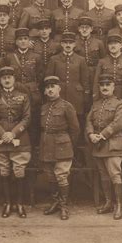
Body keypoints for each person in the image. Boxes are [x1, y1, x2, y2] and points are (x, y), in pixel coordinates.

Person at [0, 66, 31, 218]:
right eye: (4, 78)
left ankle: (19, 203)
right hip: (0, 139)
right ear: (0, 81)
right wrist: (2, 133)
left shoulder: (23, 96)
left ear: (14, 79)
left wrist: (13, 133)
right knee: (4, 170)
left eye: (10, 77)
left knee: (19, 170)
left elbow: (27, 118)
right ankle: (7, 203)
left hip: (19, 137)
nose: (7, 80)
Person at [85, 73, 122, 220]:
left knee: (115, 174)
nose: (104, 87)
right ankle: (109, 203)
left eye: (107, 85)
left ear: (113, 86)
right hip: (98, 145)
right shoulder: (95, 104)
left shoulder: (119, 103)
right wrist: (91, 134)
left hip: (113, 144)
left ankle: (119, 206)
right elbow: (89, 120)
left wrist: (101, 135)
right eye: (102, 85)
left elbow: (118, 123)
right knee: (104, 175)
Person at [40, 76, 80, 220]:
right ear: (45, 91)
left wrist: (69, 145)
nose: (50, 90)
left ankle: (64, 206)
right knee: (50, 176)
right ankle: (55, 202)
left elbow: (75, 129)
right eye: (48, 88)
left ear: (59, 89)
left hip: (63, 144)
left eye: (53, 87)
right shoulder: (44, 107)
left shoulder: (67, 106)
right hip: (47, 144)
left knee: (61, 176)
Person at [3, 28, 43, 151]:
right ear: (16, 42)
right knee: (17, 120)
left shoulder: (36, 57)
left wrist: (34, 89)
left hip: (33, 94)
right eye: (20, 39)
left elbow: (41, 76)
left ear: (29, 40)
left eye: (25, 39)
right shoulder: (10, 57)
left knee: (33, 120)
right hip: (16, 92)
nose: (23, 42)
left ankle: (33, 147)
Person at [45, 31, 90, 125]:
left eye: (70, 43)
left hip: (76, 98)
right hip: (59, 96)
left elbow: (85, 81)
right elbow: (48, 80)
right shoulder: (54, 59)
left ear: (74, 44)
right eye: (65, 43)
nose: (68, 45)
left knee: (77, 123)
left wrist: (85, 98)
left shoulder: (81, 60)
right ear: (62, 44)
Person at [74, 15, 106, 110]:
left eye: (87, 28)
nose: (84, 30)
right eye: (82, 27)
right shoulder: (74, 42)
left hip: (95, 73)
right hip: (79, 73)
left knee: (95, 95)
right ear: (79, 29)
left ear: (91, 29)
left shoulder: (98, 43)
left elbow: (103, 59)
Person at [94, 34, 122, 103]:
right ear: (108, 46)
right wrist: (96, 99)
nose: (113, 46)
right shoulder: (102, 62)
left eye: (115, 43)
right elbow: (96, 82)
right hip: (105, 95)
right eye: (110, 44)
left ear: (121, 45)